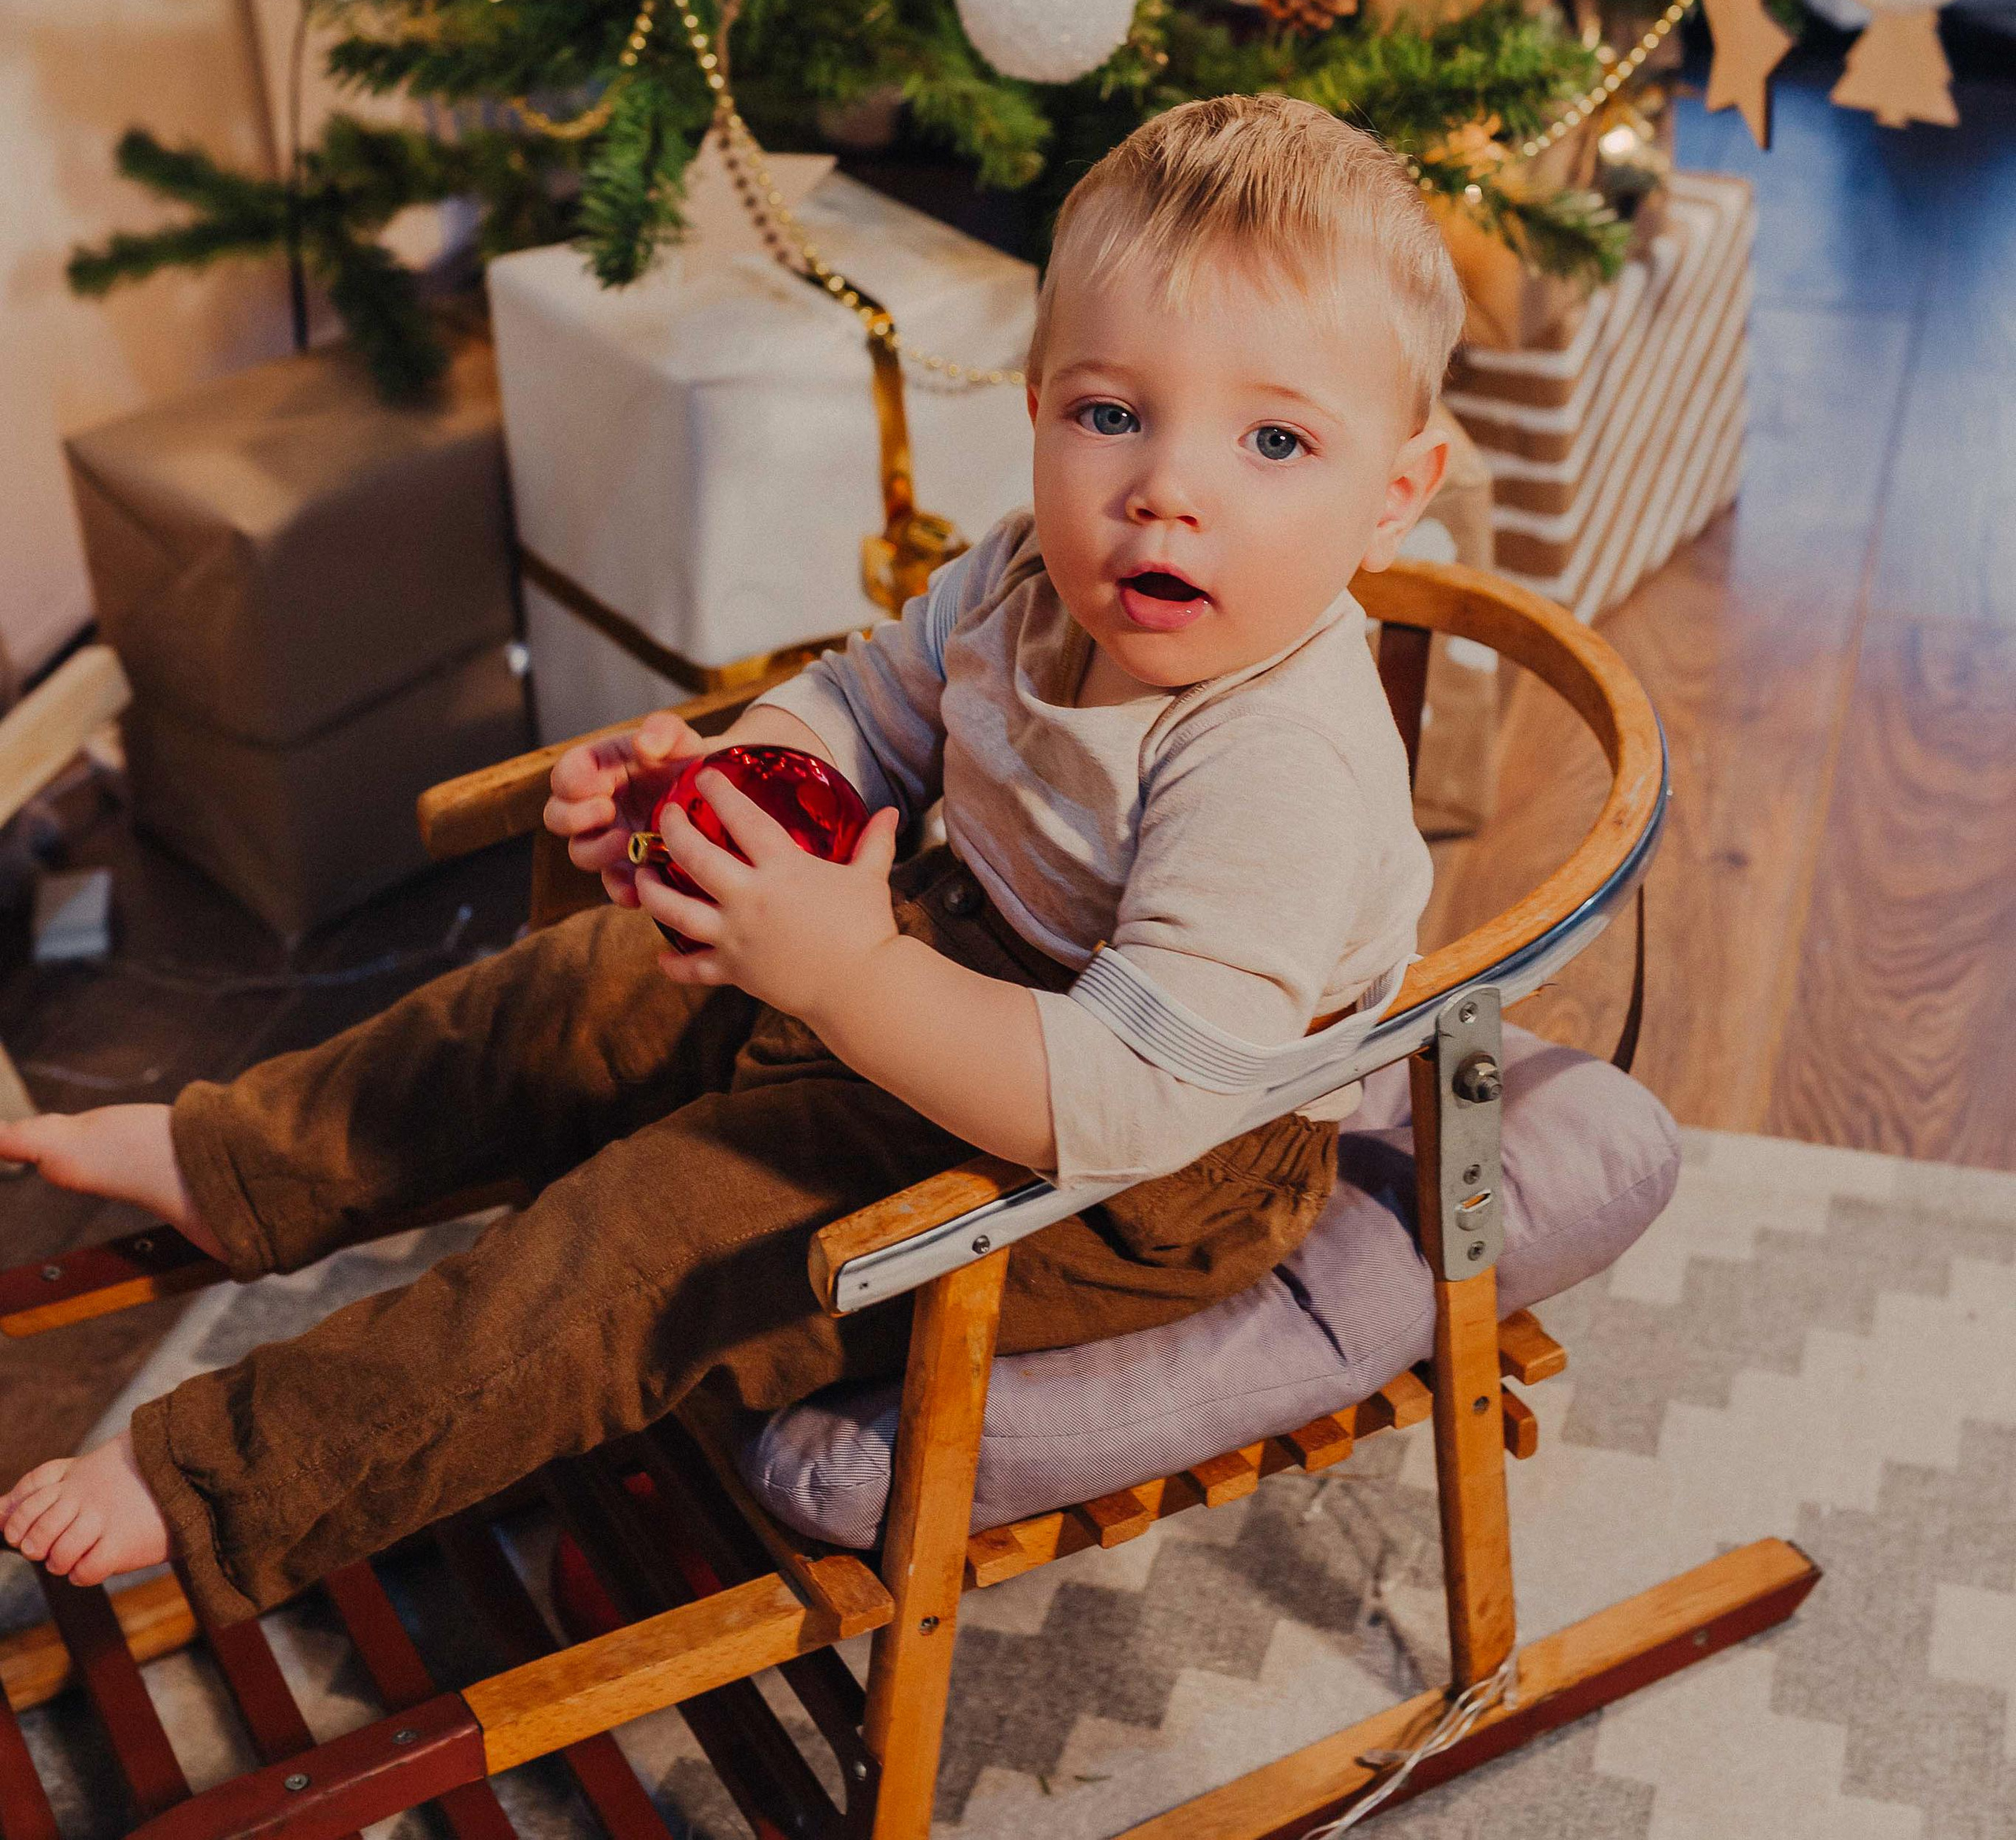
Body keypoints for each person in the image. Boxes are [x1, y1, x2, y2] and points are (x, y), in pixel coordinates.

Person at [0, 96, 1460, 1619]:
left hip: (1132, 1179)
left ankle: (223, 1477)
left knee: (650, 1238)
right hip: (944, 957)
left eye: (1275, 440)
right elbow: (866, 703)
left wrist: (850, 976)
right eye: (1112, 415)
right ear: (1036, 409)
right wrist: (721, 795)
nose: (1168, 488)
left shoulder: (1278, 763)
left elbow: (1125, 1101)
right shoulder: (1029, 572)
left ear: (1394, 496)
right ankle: (240, 1161)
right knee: (577, 984)